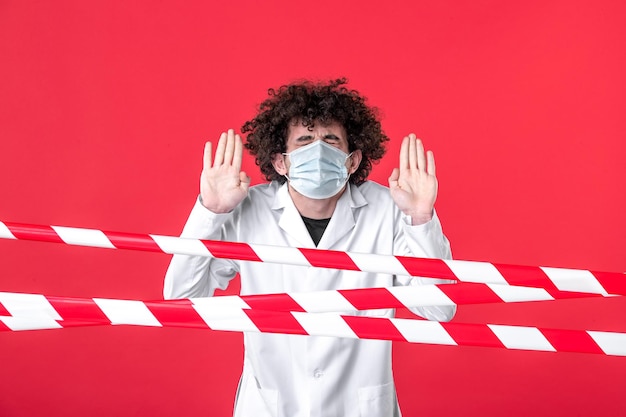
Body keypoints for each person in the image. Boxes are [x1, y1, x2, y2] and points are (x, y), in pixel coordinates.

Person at [163, 78, 455, 417]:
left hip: (358, 408)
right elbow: (180, 297)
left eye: (331, 140)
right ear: (280, 162)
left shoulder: (387, 208)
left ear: (352, 160)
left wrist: (421, 217)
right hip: (271, 406)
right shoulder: (248, 209)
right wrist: (210, 212)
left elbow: (440, 310)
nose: (319, 150)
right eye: (304, 140)